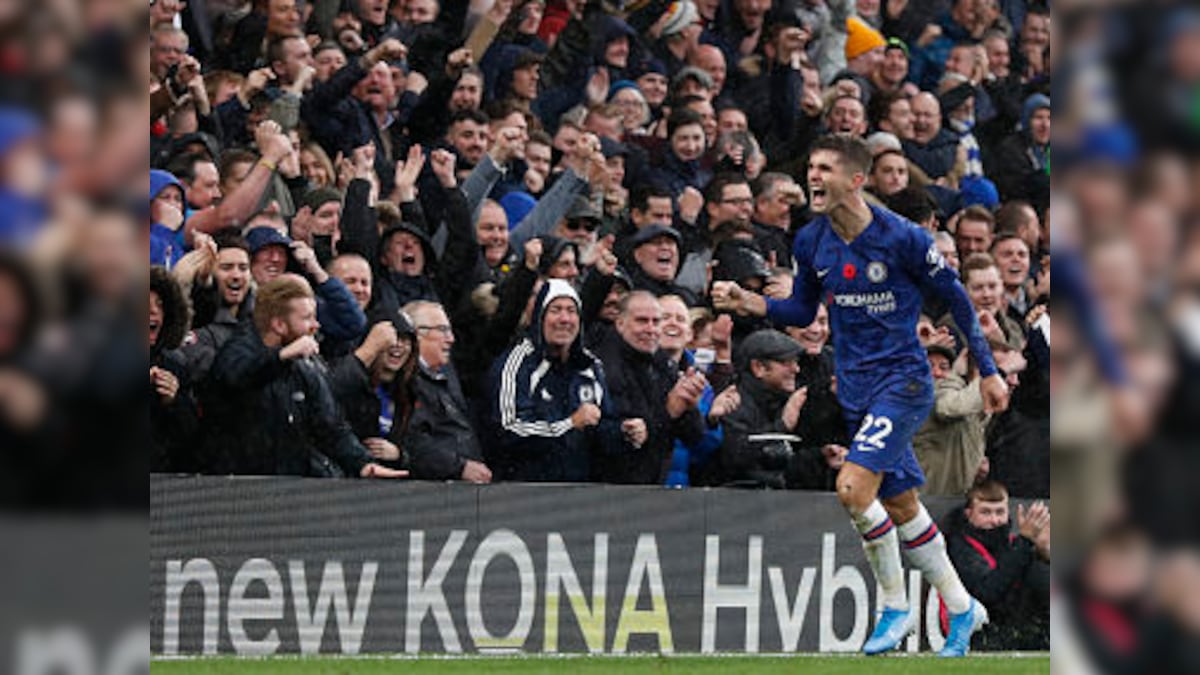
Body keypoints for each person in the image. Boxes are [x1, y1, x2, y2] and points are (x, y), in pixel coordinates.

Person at [712, 133, 1009, 657]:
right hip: (855, 387)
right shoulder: (810, 241)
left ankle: (894, 606)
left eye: (825, 167)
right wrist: (750, 302)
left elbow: (958, 301)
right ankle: (962, 607)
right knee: (900, 503)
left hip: (904, 380)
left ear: (856, 179)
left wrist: (987, 369)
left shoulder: (904, 239)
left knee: (852, 489)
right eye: (811, 166)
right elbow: (802, 312)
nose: (814, 176)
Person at [199, 274, 408, 479]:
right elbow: (233, 376)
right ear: (279, 324)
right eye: (307, 318)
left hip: (289, 490)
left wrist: (363, 464)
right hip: (233, 492)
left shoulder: (303, 367)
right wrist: (280, 357)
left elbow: (331, 427)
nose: (316, 325)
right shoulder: (238, 349)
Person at [485, 279, 623, 482]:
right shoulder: (517, 363)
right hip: (522, 493)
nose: (564, 319)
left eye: (571, 311)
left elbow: (605, 425)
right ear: (540, 316)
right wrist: (569, 424)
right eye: (556, 310)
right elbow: (508, 428)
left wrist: (624, 433)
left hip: (579, 493)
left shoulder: (590, 367)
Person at [592, 291, 707, 484]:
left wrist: (691, 406)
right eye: (642, 321)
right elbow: (615, 441)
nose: (651, 329)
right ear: (620, 324)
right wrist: (668, 412)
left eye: (656, 321)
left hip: (654, 486)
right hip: (609, 491)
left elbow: (694, 437)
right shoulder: (605, 367)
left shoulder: (664, 366)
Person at [718, 329, 847, 490]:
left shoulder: (790, 401)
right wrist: (782, 427)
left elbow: (795, 459)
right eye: (787, 363)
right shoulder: (732, 403)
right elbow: (736, 460)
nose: (796, 369)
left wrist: (823, 455)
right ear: (759, 367)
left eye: (796, 362)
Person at [942, 480, 1050, 650]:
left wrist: (1045, 555)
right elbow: (987, 592)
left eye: (1000, 512)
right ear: (969, 514)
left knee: (1041, 570)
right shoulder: (959, 546)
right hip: (980, 631)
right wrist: (1025, 542)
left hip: (1019, 625)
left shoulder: (1014, 544)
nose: (994, 520)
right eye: (985, 512)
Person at [402, 300, 492, 482]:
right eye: (442, 330)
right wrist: (459, 467)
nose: (451, 339)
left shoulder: (443, 377)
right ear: (417, 334)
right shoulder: (408, 382)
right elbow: (413, 441)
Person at [912, 343, 988, 497]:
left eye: (944, 367)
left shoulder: (960, 396)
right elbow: (951, 408)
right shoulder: (915, 399)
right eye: (928, 366)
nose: (937, 373)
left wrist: (975, 460)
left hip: (955, 498)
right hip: (922, 500)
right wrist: (957, 376)